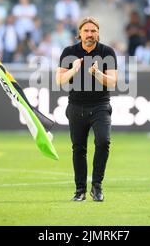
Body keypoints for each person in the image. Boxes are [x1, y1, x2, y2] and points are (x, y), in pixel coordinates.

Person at [56, 17, 118, 202]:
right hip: (76, 106)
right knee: (78, 149)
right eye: (86, 31)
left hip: (100, 105)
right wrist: (74, 70)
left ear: (97, 33)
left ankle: (97, 186)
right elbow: (59, 80)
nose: (90, 34)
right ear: (80, 33)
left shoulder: (107, 52)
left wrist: (97, 73)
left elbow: (113, 82)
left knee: (103, 142)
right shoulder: (69, 52)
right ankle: (80, 190)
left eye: (93, 31)